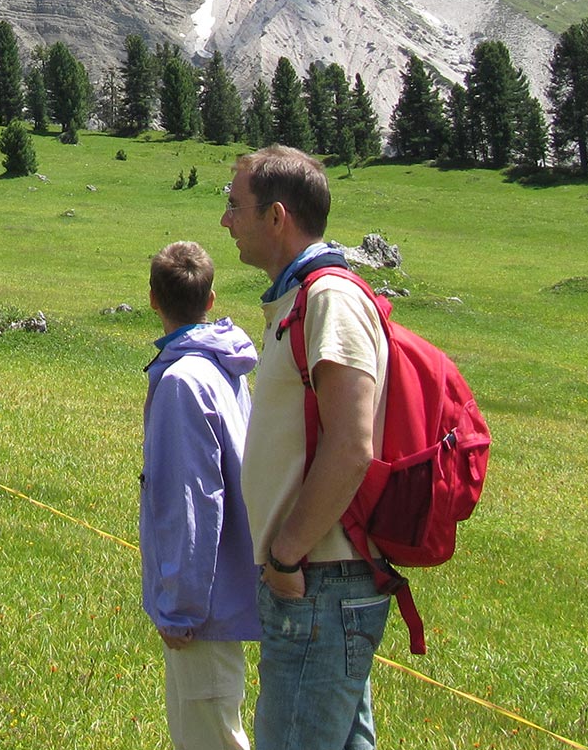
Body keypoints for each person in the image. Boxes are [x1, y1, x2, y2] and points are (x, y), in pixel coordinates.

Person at [222, 147, 391, 750]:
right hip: (316, 585)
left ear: (277, 217)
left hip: (319, 585)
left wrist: (286, 556)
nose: (225, 221)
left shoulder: (329, 300)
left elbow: (351, 445)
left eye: (234, 205)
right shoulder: (298, 299)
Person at [141, 240, 260, 750]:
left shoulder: (183, 381)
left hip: (203, 608)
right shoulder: (222, 367)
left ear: (152, 299)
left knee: (210, 736)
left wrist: (180, 609)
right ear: (211, 300)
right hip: (228, 586)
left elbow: (193, 502)